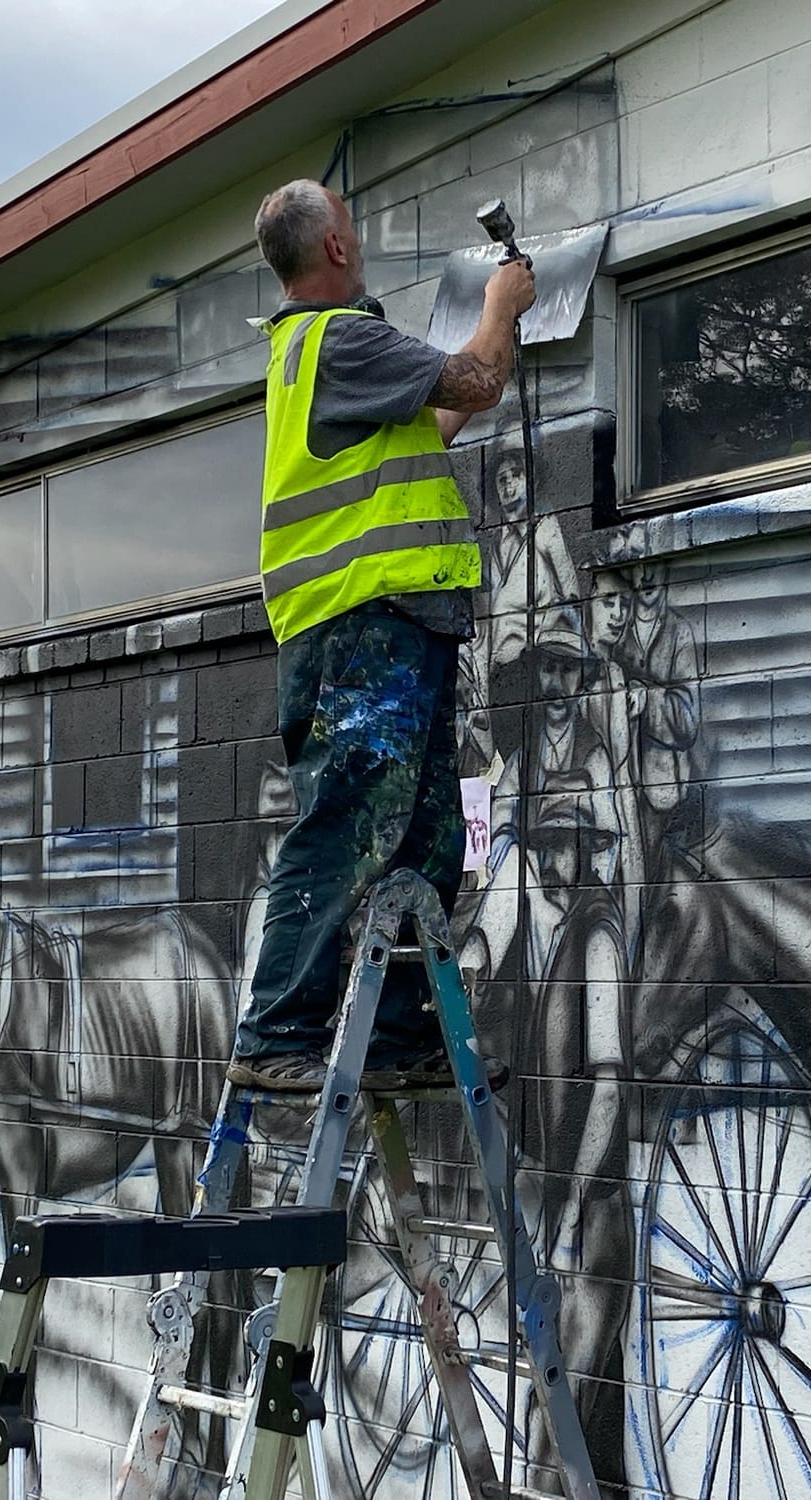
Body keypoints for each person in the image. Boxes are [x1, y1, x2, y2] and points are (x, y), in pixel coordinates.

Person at [226, 179, 535, 1094]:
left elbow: (443, 414)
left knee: (429, 837)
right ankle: (274, 1030)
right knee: (349, 822)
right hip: (364, 623)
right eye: (350, 227)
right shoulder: (339, 338)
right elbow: (475, 379)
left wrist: (496, 331)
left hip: (396, 621)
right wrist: (500, 307)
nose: (356, 241)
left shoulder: (315, 357)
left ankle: (400, 1038)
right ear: (332, 248)